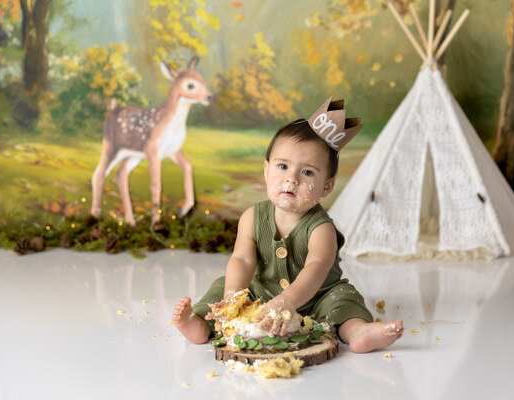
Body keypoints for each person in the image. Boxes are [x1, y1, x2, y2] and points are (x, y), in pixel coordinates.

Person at [172, 97, 403, 353]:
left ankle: (358, 331)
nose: (291, 179)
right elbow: (242, 260)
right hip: (261, 294)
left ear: (327, 186)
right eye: (283, 166)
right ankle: (201, 324)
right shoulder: (252, 217)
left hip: (316, 297)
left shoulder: (320, 228)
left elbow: (316, 268)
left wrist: (287, 301)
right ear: (267, 171)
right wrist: (233, 300)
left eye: (307, 173)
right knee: (221, 286)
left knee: (343, 299)